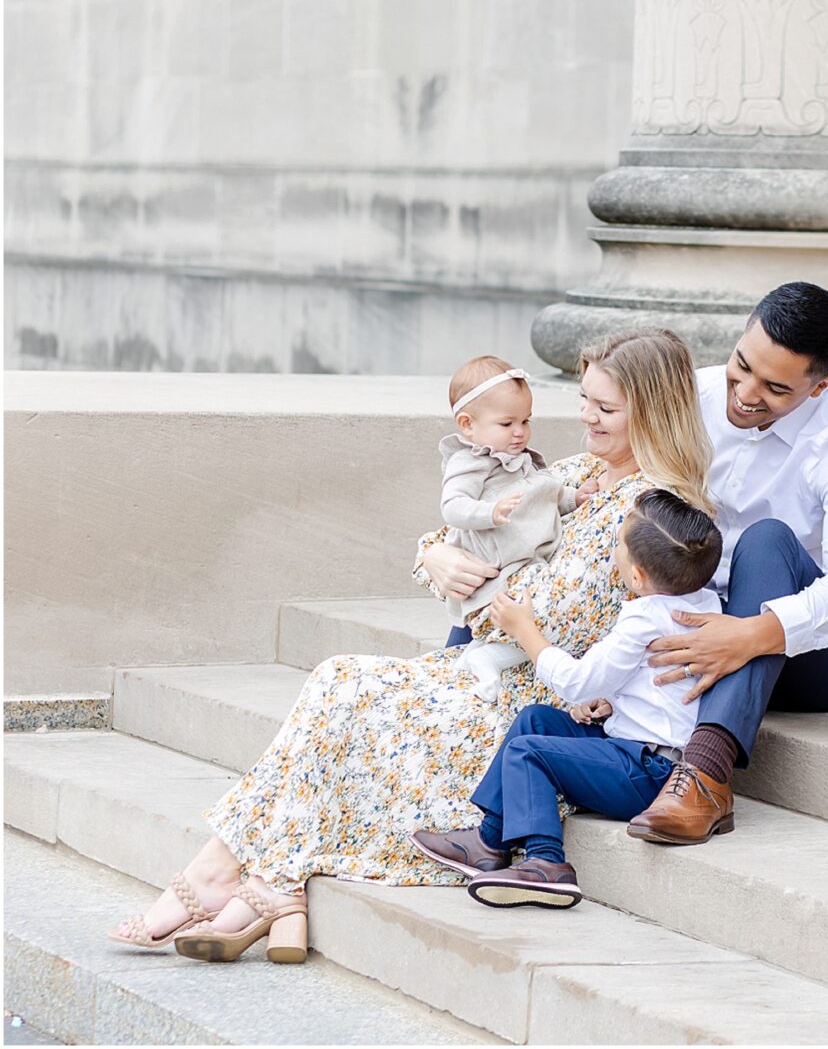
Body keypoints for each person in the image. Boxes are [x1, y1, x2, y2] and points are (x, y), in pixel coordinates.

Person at [106, 328, 713, 962]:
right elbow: (457, 533)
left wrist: (496, 589)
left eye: (604, 407)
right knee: (341, 681)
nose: (584, 416)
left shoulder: (660, 515)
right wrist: (440, 555)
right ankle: (254, 884)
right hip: (490, 670)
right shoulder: (574, 473)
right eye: (584, 398)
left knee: (347, 687)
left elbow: (559, 616)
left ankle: (242, 881)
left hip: (544, 699)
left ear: (652, 410)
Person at [628, 281, 828, 846]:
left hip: (818, 658)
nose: (744, 393)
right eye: (740, 366)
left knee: (767, 540)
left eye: (775, 388)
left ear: (822, 385)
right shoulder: (689, 397)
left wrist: (756, 632)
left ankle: (705, 775)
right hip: (701, 625)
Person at [411, 488, 722, 909]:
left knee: (529, 751)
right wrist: (614, 700)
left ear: (638, 577)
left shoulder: (642, 619)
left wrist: (525, 631)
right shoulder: (705, 604)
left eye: (618, 547)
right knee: (535, 718)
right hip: (643, 751)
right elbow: (648, 684)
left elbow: (576, 682)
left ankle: (545, 863)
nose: (614, 551)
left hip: (650, 773)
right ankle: (489, 840)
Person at [439, 355, 591, 701]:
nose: (520, 431)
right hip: (499, 567)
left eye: (526, 420)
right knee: (527, 624)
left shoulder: (519, 459)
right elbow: (452, 506)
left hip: (526, 562)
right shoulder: (472, 461)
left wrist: (574, 497)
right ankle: (483, 655)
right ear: (467, 424)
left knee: (533, 623)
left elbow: (543, 495)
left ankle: (482, 656)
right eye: (507, 423)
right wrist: (489, 512)